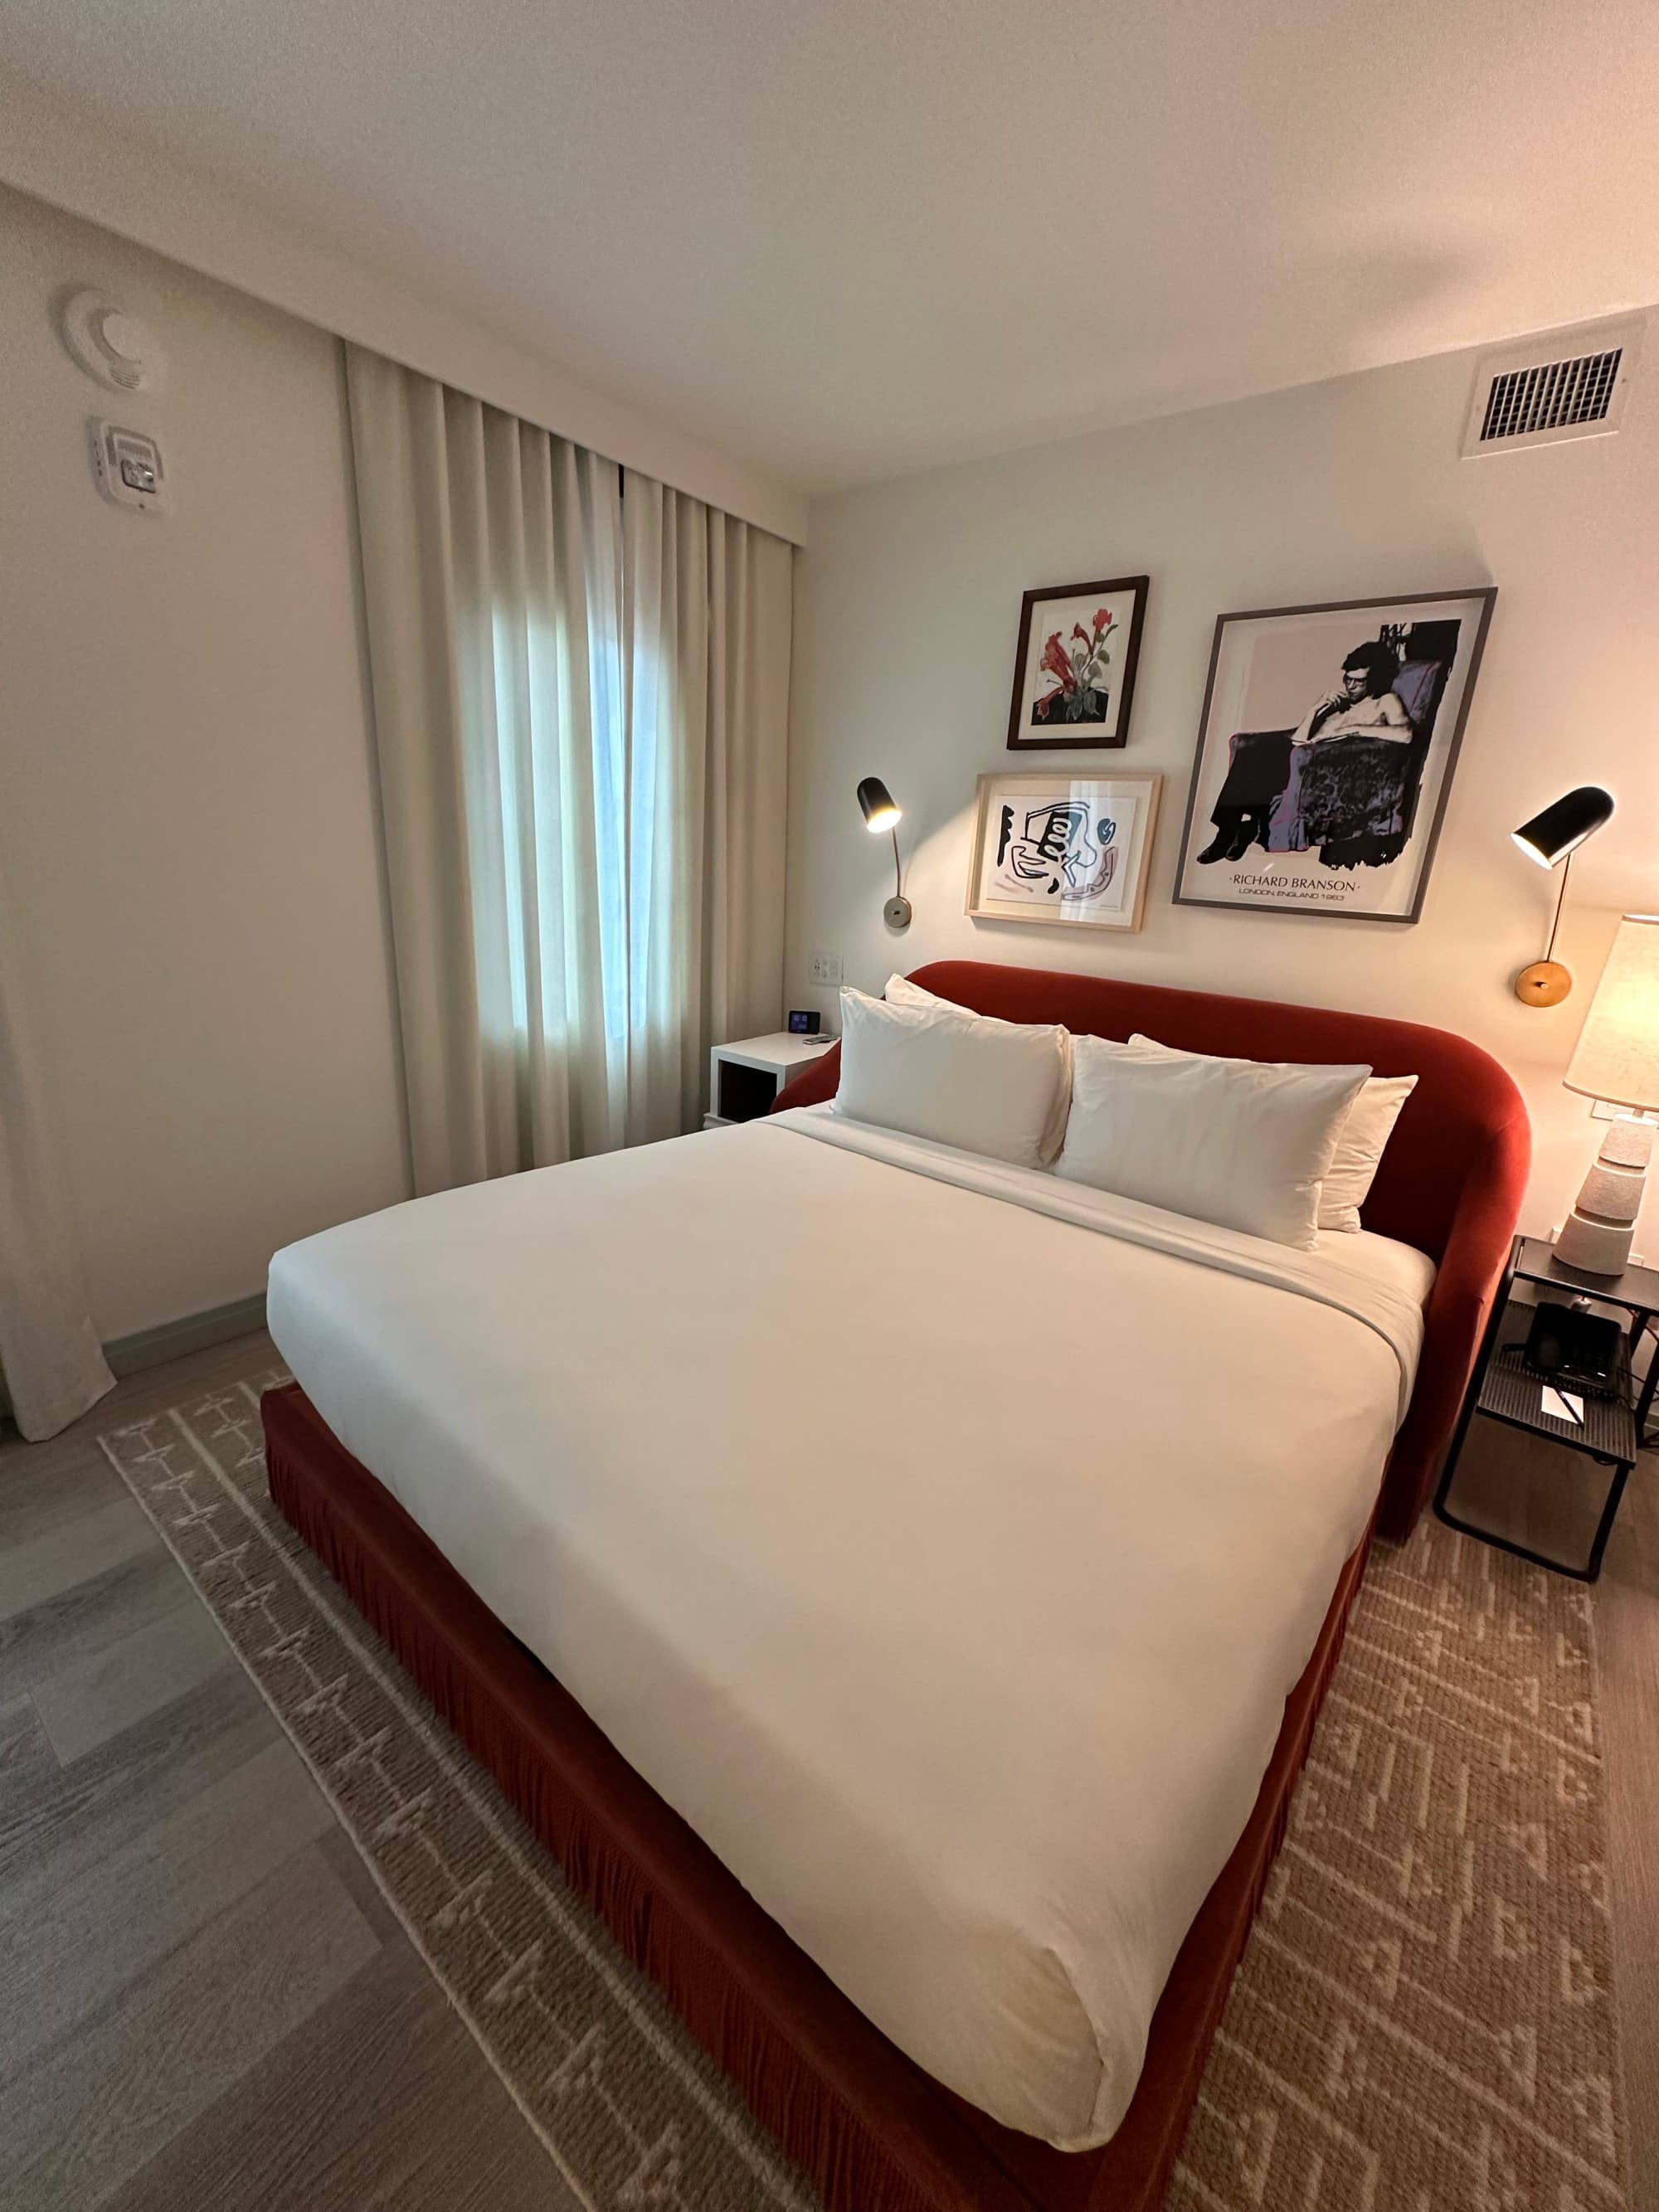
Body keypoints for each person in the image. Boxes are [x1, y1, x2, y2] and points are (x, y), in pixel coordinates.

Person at [1194, 638, 1408, 866]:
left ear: (1373, 680)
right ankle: (1231, 831)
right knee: (1251, 752)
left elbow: (1406, 734)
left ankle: (1239, 831)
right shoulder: (1342, 704)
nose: (1350, 686)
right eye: (1347, 679)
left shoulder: (1386, 701)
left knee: (1255, 758)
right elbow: (1298, 739)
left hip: (1324, 767)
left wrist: (1353, 728)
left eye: (1359, 681)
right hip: (1302, 758)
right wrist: (1315, 709)